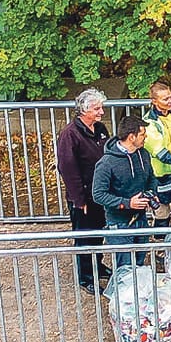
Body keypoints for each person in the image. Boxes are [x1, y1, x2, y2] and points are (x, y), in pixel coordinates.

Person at [91, 117, 171, 269]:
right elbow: (98, 194)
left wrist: (151, 192)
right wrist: (127, 203)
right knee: (125, 267)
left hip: (141, 220)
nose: (146, 137)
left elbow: (151, 177)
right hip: (119, 223)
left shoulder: (143, 154)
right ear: (131, 137)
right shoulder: (106, 163)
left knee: (140, 263)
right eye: (143, 134)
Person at [56, 89, 111, 291]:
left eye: (101, 108)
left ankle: (97, 264)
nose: (101, 112)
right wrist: (79, 201)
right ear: (84, 110)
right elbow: (68, 170)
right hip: (83, 196)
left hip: (99, 192)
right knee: (84, 236)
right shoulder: (69, 135)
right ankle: (86, 276)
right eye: (97, 109)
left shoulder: (100, 129)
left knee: (97, 232)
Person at [138, 80, 171, 184]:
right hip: (163, 170)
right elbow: (160, 152)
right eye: (165, 99)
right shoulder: (148, 121)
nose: (170, 101)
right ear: (154, 101)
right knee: (167, 199)